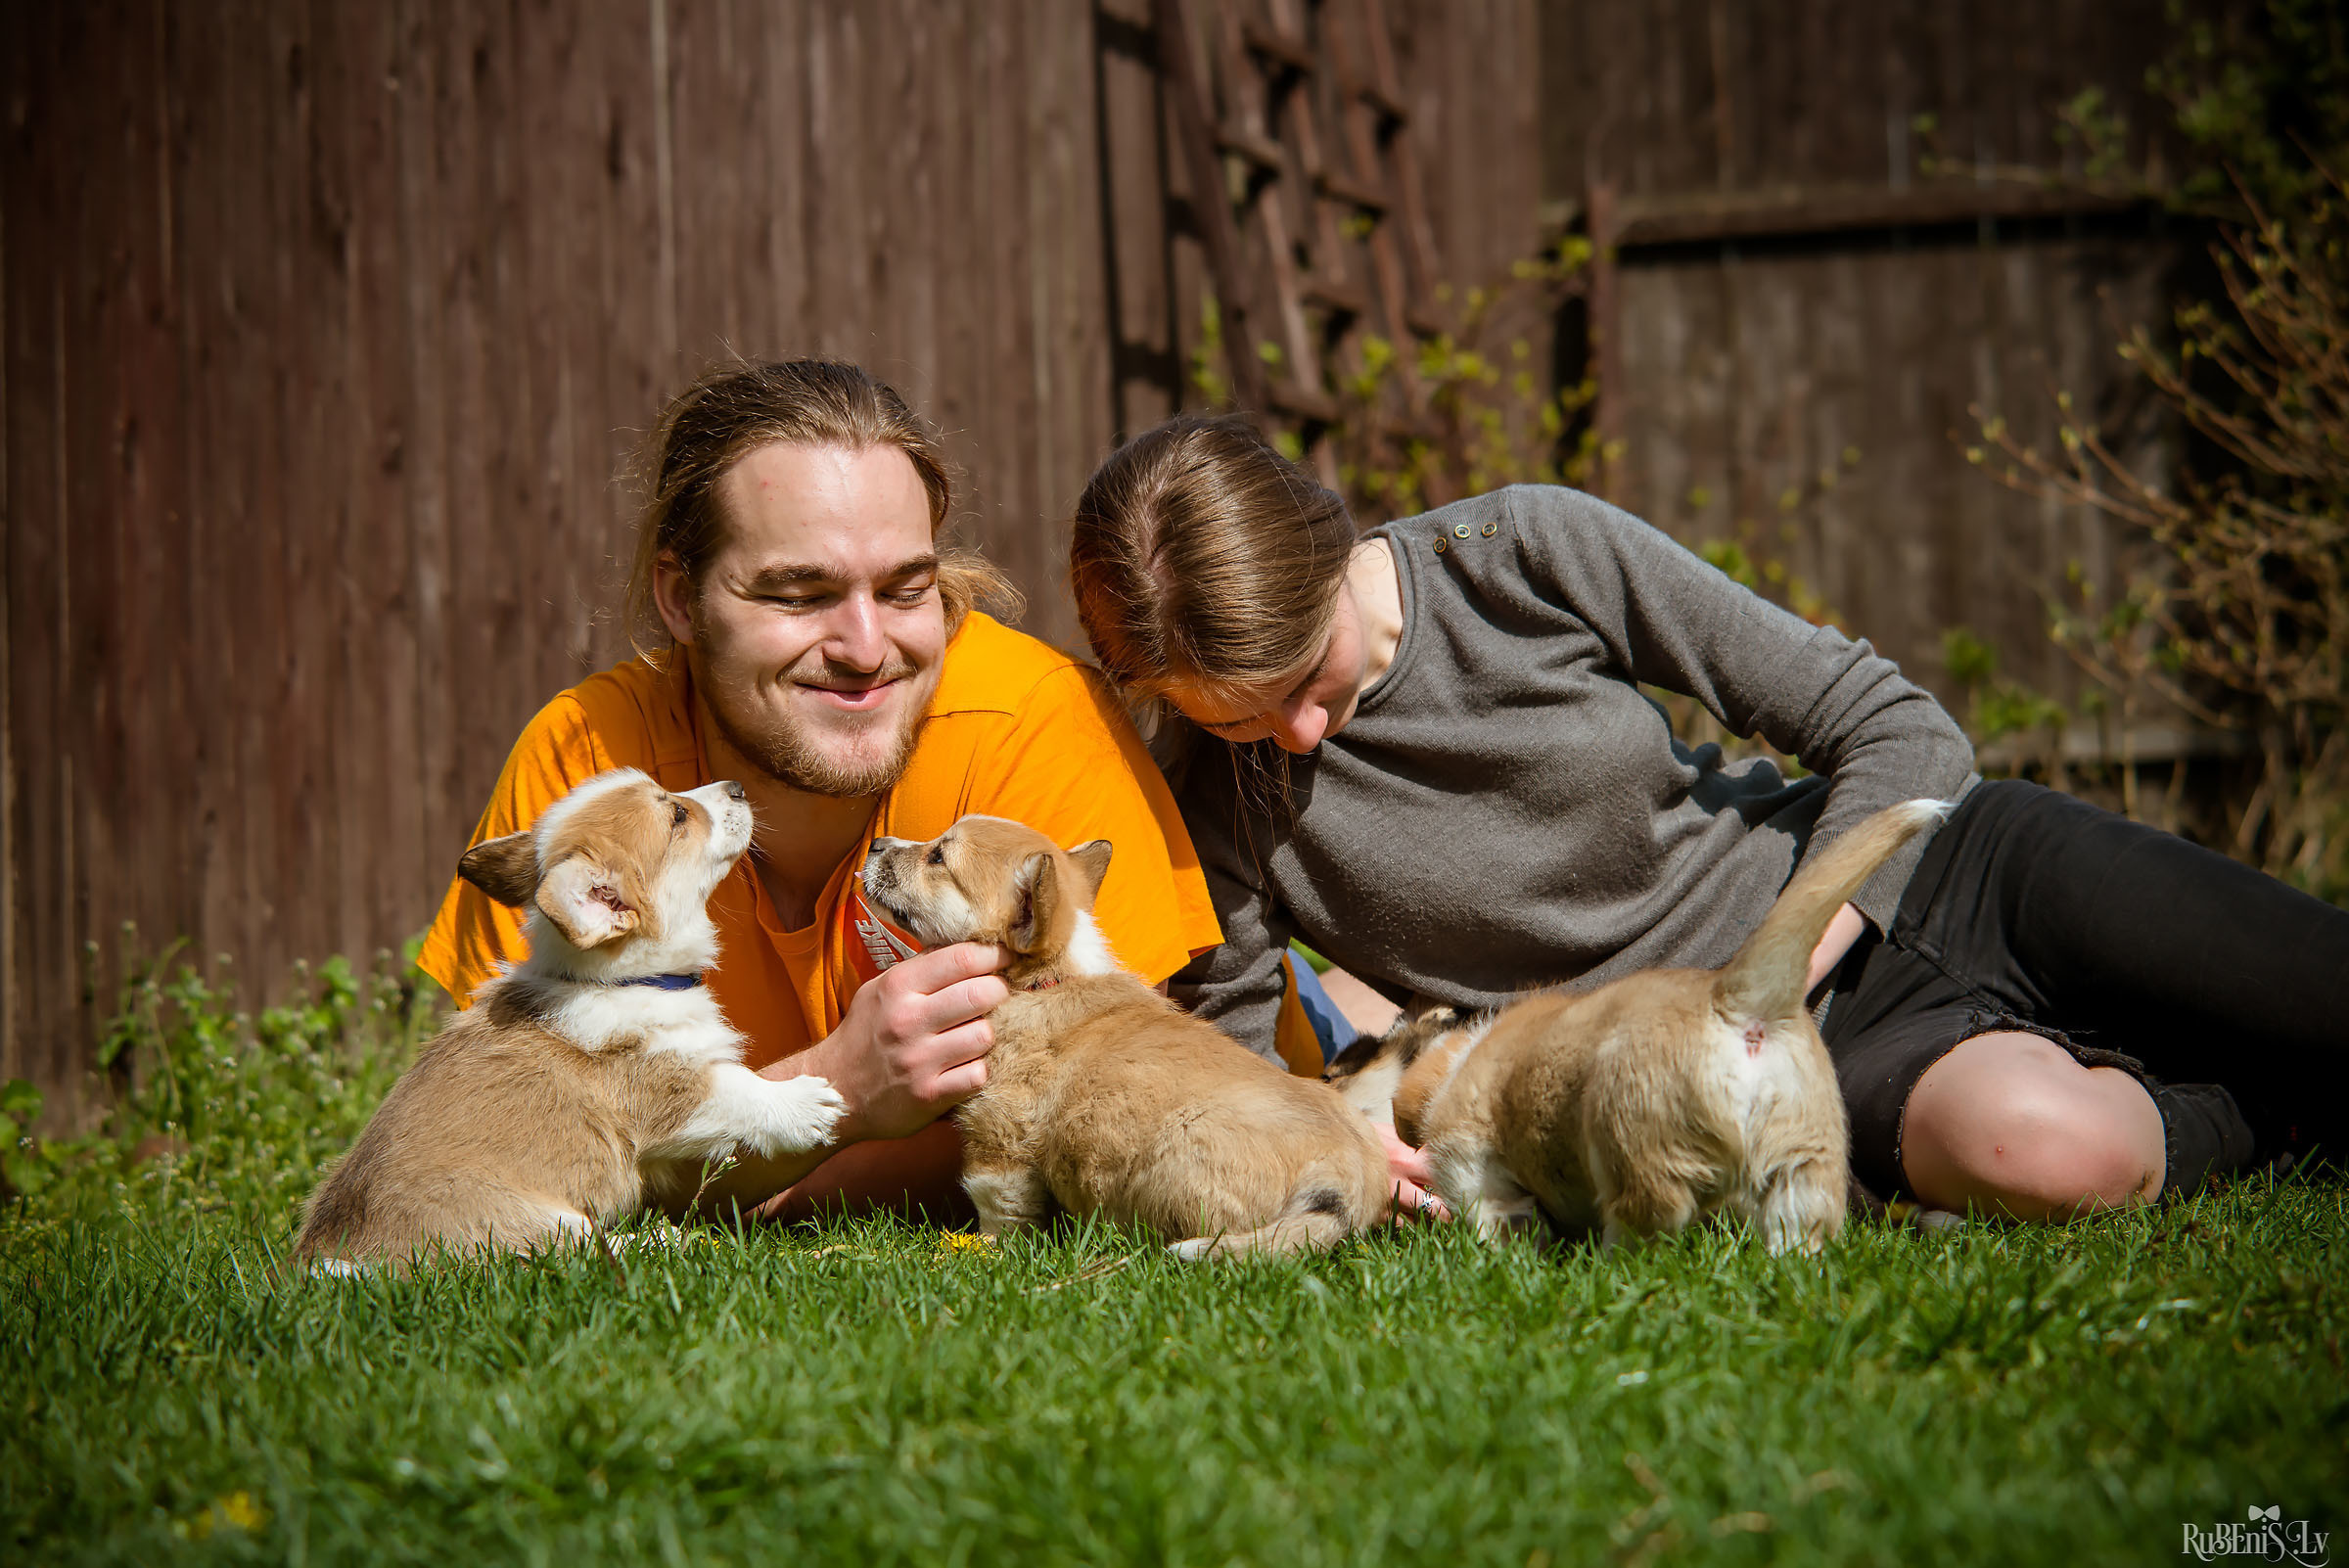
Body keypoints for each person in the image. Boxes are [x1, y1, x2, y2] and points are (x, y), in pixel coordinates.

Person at [1068, 414, 2349, 1222]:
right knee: (2048, 1153)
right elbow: (1237, 1077)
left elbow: (1900, 731)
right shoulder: (1213, 799)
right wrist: (1348, 1152)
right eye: (1239, 720)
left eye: (1306, 677)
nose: (1295, 739)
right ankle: (2275, 1114)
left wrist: (1773, 970)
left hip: (1948, 871)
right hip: (1774, 1071)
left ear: (1329, 542)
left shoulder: (1525, 554)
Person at [421, 360, 1222, 1222]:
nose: (867, 647)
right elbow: (510, 1137)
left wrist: (729, 1166)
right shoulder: (587, 774)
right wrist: (840, 1086)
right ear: (680, 599)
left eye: (908, 589)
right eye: (800, 594)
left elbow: (1102, 1098)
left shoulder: (1032, 720)